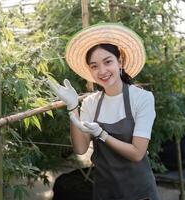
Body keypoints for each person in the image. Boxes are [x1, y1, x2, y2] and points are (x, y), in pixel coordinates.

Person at [48, 23, 159, 200]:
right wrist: (72, 108)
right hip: (104, 191)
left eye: (108, 62)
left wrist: (102, 134)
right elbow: (80, 149)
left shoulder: (142, 98)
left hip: (139, 192)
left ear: (120, 61)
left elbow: (137, 153)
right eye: (94, 66)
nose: (102, 71)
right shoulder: (91, 103)